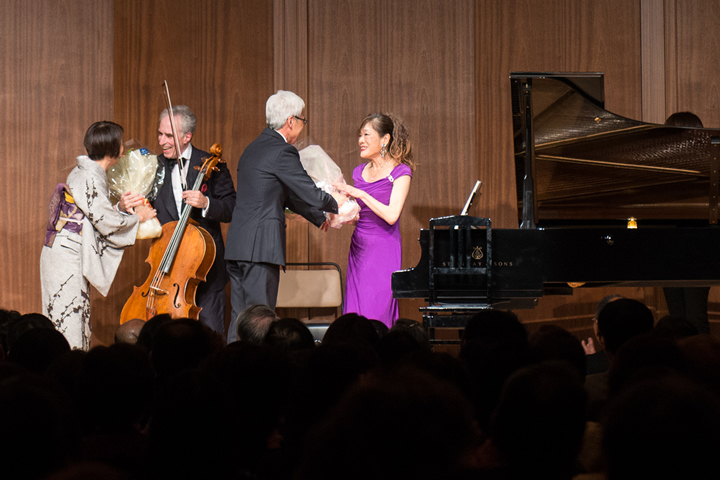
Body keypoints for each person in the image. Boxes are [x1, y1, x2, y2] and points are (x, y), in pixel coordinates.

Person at [225, 90, 341, 343]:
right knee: (259, 321)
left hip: (237, 246)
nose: (301, 125)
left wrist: (317, 216)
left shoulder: (252, 148)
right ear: (291, 121)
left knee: (238, 318)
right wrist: (337, 203)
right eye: (302, 120)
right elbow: (308, 190)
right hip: (259, 248)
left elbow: (284, 194)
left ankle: (230, 372)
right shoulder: (282, 151)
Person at [120, 106, 236, 335]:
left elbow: (232, 208)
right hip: (166, 271)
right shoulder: (151, 168)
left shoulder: (212, 165)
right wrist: (129, 206)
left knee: (210, 337)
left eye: (169, 136)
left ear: (187, 137)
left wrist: (206, 204)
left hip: (206, 271)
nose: (162, 141)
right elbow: (143, 206)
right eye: (160, 134)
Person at [40, 121, 156, 350]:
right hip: (67, 255)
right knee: (69, 320)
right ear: (113, 148)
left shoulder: (87, 172)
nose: (123, 146)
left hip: (66, 251)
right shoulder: (89, 176)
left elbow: (94, 216)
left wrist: (121, 209)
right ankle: (69, 374)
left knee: (73, 317)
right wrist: (138, 217)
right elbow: (103, 222)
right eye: (121, 142)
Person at [333, 113, 414, 327]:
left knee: (377, 311)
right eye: (360, 135)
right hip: (359, 248)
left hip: (384, 250)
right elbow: (358, 215)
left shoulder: (401, 172)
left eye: (366, 134)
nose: (361, 140)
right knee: (355, 314)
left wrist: (361, 195)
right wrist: (336, 215)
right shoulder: (358, 172)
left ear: (385, 139)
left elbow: (391, 215)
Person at [661, 111, 711, 334]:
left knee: (695, 319)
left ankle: (704, 366)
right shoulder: (662, 169)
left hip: (700, 247)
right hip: (670, 246)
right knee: (676, 320)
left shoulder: (709, 167)